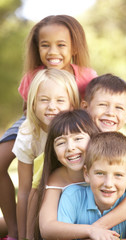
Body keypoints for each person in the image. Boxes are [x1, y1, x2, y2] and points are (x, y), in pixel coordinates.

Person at [0, 14, 97, 240]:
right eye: (45, 45)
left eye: (60, 45)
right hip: (33, 121)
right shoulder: (32, 76)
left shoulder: (85, 76)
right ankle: (14, 230)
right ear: (38, 47)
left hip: (72, 124)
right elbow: (29, 112)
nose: (53, 52)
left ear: (73, 47)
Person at [38, 73, 126, 240]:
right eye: (103, 105)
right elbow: (46, 226)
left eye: (118, 107)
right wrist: (91, 231)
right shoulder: (60, 174)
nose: (71, 147)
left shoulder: (113, 153)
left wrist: (96, 228)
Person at [12, 68, 80, 240]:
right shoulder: (28, 134)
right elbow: (25, 191)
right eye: (44, 100)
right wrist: (23, 236)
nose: (52, 107)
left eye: (60, 100)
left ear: (72, 104)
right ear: (33, 103)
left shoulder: (79, 131)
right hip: (41, 196)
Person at [58, 132, 126, 239]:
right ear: (87, 174)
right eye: (100, 173)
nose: (108, 184)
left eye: (118, 175)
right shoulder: (72, 197)